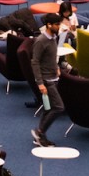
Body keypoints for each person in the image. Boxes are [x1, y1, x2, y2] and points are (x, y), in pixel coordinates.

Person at [30, 13, 65, 147]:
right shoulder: (40, 41)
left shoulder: (53, 38)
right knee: (58, 107)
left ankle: (40, 138)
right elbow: (35, 62)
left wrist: (56, 67)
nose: (59, 26)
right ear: (49, 25)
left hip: (53, 77)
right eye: (57, 24)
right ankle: (40, 132)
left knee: (48, 108)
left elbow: (51, 56)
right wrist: (40, 83)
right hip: (46, 80)